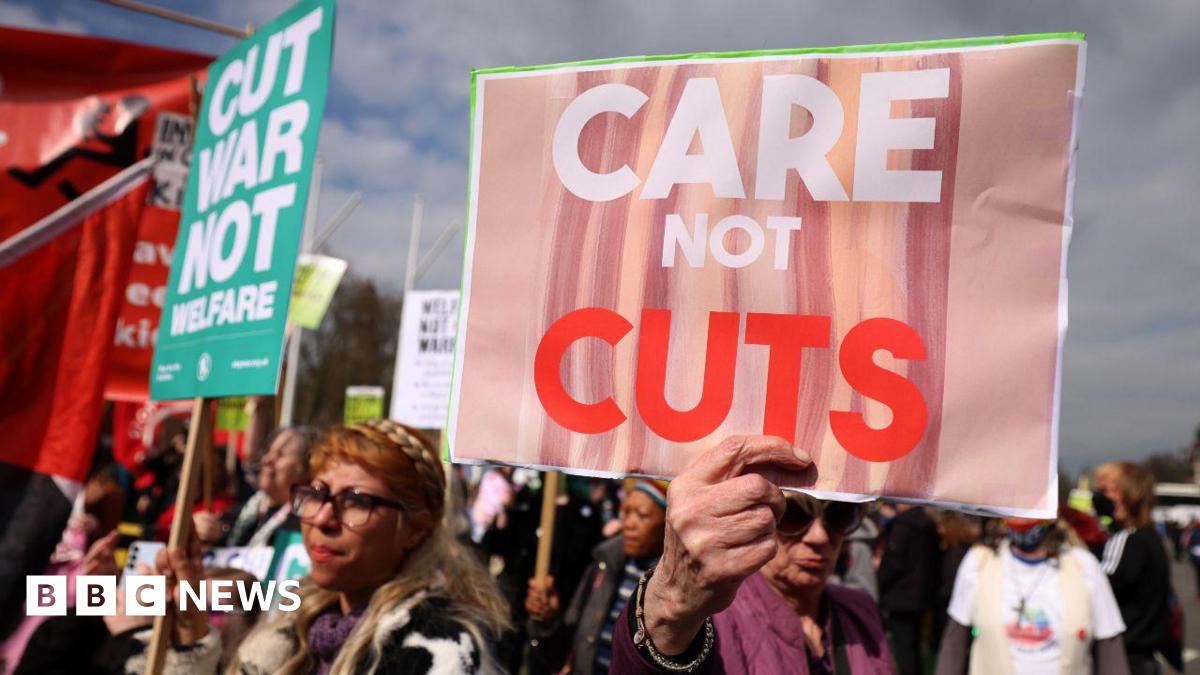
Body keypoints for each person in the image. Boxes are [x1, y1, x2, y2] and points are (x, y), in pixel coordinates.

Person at [135, 420, 510, 674]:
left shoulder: (438, 653)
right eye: (316, 494)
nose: (322, 518)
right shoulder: (288, 627)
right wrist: (191, 636)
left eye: (357, 501)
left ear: (414, 528)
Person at [611, 436, 893, 674]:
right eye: (795, 515)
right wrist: (672, 608)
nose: (819, 538)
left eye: (840, 516)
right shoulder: (712, 615)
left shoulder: (860, 609)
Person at [935, 517, 1129, 675]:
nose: (1022, 519)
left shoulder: (1083, 566)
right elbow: (953, 647)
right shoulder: (980, 563)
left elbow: (1110, 650)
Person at [525, 479, 668, 674]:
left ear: (667, 524)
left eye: (642, 516)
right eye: (626, 512)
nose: (629, 524)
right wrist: (548, 619)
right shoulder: (603, 563)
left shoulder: (674, 584)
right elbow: (568, 642)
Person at [1093, 462, 1177, 674]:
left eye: (1106, 491)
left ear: (1129, 495)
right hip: (1146, 657)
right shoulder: (1151, 539)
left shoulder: (1126, 540)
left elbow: (1097, 591)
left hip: (1125, 657)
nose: (1099, 499)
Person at [194, 426, 319, 547]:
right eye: (269, 451)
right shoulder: (242, 513)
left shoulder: (303, 526)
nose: (266, 460)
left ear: (306, 471)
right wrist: (202, 530)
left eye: (280, 455)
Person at [877, 503, 940, 675]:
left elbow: (893, 564)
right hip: (920, 596)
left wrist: (880, 583)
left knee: (904, 649)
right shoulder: (928, 525)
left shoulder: (903, 526)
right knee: (912, 648)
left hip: (901, 597)